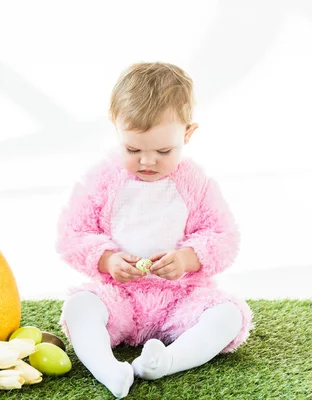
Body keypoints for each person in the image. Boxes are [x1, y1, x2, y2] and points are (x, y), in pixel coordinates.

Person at [57, 62, 253, 398]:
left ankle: (167, 361)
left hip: (181, 298)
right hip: (119, 297)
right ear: (115, 126)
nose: (147, 162)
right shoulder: (101, 180)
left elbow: (225, 237)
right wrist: (107, 260)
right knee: (79, 308)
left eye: (163, 151)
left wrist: (188, 259)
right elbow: (71, 235)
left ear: (187, 134)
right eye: (133, 150)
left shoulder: (196, 184)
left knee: (228, 315)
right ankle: (108, 369)